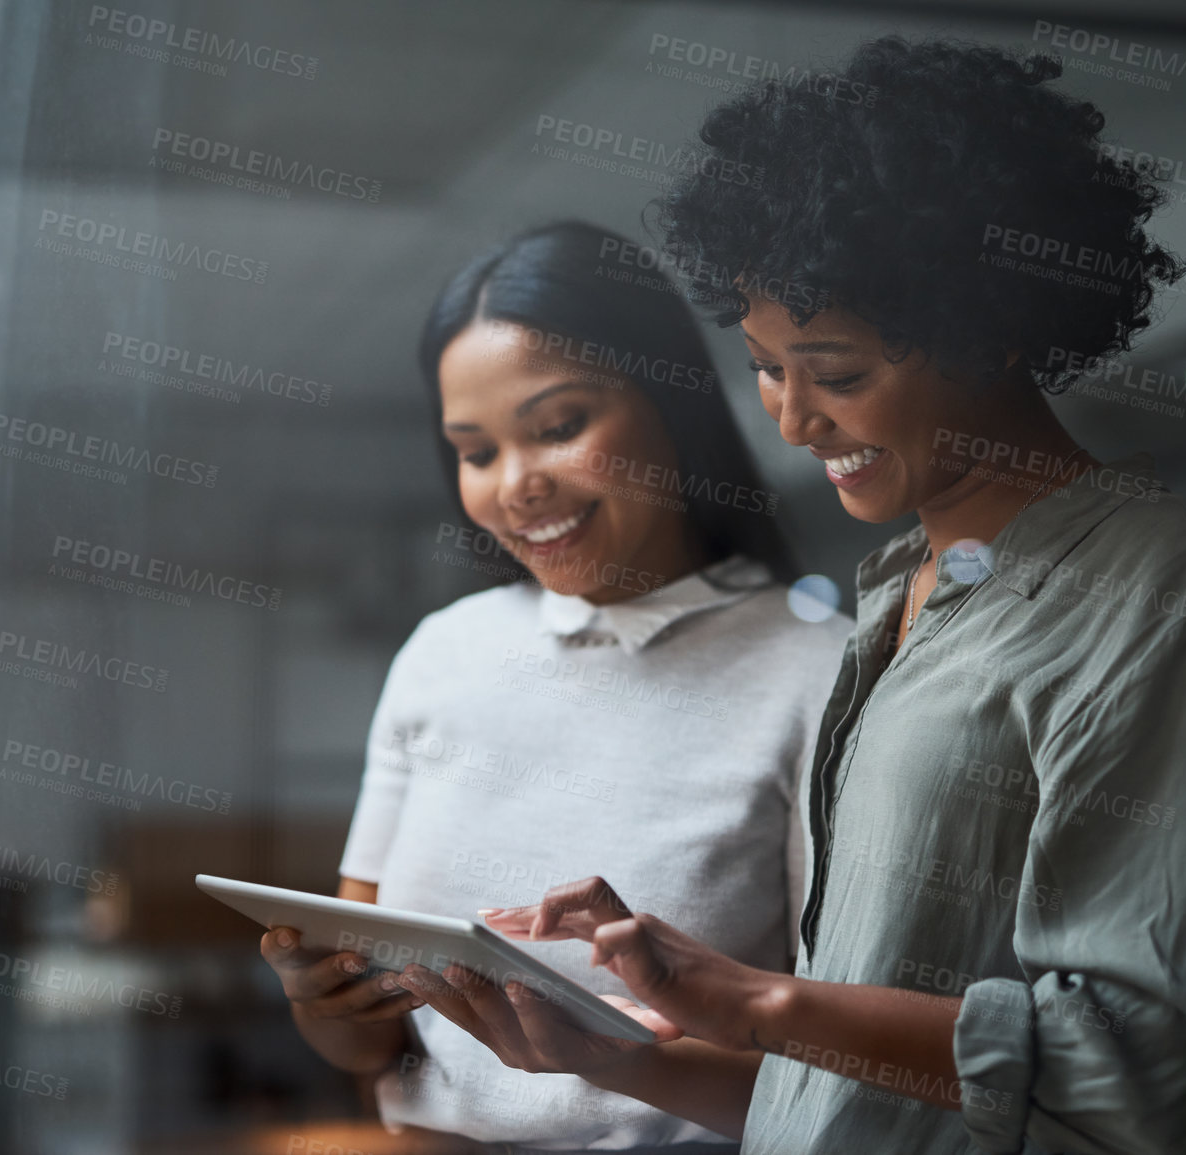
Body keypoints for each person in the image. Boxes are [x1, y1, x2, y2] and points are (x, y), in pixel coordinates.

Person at [395, 38, 1186, 1155]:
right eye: (770, 365)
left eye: (840, 372)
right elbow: (842, 1104)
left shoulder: (1163, 591)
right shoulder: (898, 598)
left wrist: (759, 999)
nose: (792, 420)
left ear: (994, 328)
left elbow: (1164, 1080)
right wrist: (623, 1049)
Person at [259, 220, 855, 1152]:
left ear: (670, 401)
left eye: (559, 427)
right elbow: (373, 1050)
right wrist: (321, 999)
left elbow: (843, 1085)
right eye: (476, 450)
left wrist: (623, 1060)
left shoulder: (817, 670)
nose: (516, 485)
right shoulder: (440, 652)